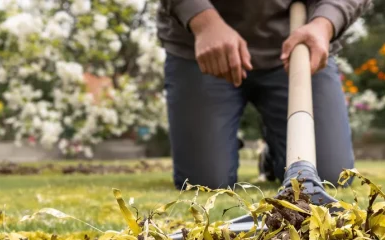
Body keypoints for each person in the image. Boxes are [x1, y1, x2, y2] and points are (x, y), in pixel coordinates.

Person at [157, 0, 369, 189]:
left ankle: (275, 152)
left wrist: (324, 24)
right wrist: (204, 22)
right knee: (206, 183)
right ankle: (223, 143)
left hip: (298, 45)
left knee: (331, 177)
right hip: (205, 46)